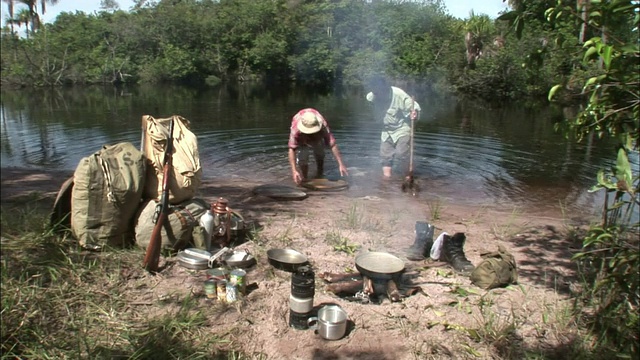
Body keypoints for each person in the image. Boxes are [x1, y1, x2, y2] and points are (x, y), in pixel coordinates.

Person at [365, 77, 421, 179]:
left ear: (384, 88)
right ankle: (387, 180)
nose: (376, 95)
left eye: (378, 92)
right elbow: (371, 106)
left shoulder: (398, 94)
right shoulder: (371, 96)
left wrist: (414, 112)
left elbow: (412, 106)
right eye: (374, 92)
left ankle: (408, 177)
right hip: (386, 130)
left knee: (401, 153)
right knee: (385, 156)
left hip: (402, 128)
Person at [288, 108, 349, 184]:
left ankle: (319, 174)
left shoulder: (322, 125)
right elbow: (292, 149)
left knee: (319, 152)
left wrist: (341, 164)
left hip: (318, 134)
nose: (311, 134)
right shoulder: (296, 130)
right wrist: (294, 171)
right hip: (302, 137)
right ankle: (305, 178)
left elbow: (332, 144)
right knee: (303, 157)